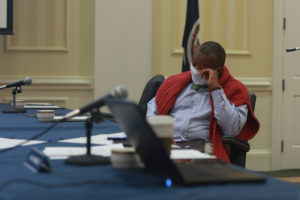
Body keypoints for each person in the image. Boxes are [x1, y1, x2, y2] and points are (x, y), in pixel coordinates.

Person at [146, 41, 260, 162]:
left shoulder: (235, 89)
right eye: (194, 64)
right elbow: (153, 110)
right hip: (166, 146)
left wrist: (216, 90)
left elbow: (232, 129)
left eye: (202, 68)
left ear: (219, 70)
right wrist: (162, 136)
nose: (195, 70)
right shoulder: (174, 82)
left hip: (201, 153)